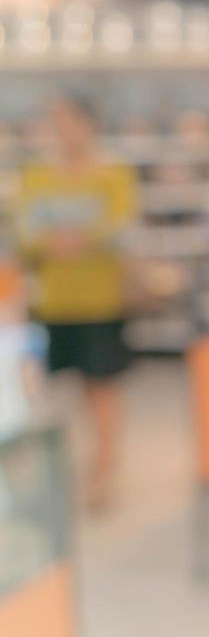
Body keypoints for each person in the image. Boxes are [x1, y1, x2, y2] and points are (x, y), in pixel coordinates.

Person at [18, 96, 138, 511]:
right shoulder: (38, 175)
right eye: (56, 121)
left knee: (102, 392)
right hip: (53, 304)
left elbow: (120, 227)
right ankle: (60, 475)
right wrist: (75, 240)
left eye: (68, 120)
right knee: (51, 398)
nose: (62, 130)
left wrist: (70, 240)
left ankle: (102, 473)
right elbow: (26, 232)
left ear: (88, 124)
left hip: (101, 302)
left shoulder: (113, 174)